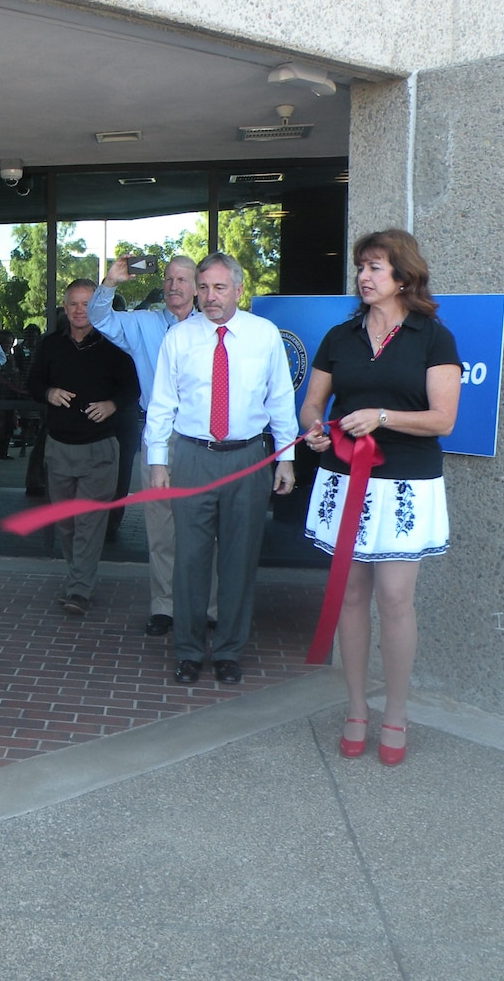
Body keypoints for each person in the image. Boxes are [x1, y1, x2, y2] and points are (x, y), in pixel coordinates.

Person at [300, 229, 461, 766]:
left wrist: (383, 416)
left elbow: (444, 418)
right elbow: (312, 405)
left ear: (403, 275)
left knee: (394, 598)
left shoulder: (432, 337)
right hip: (344, 477)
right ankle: (354, 709)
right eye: (361, 268)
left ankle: (395, 713)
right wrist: (316, 428)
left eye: (375, 267)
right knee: (349, 595)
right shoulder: (339, 336)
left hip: (405, 483)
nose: (364, 277)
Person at [146, 253, 297, 686]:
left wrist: (286, 457)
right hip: (192, 456)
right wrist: (158, 461)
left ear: (238, 290)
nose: (210, 297)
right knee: (190, 560)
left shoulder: (263, 335)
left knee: (239, 558)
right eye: (204, 287)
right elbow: (162, 404)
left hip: (248, 457)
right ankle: (189, 650)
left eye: (219, 288)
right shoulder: (179, 337)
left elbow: (280, 400)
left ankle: (229, 650)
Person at [89, 255, 203, 634]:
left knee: (208, 527)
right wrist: (110, 283)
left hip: (204, 440)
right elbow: (99, 318)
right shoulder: (146, 325)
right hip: (160, 440)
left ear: (196, 286)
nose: (174, 285)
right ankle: (164, 607)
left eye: (182, 279)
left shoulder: (213, 327)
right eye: (169, 278)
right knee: (161, 528)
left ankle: (211, 607)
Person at [27, 278, 139, 617]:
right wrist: (48, 393)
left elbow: (133, 389)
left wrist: (112, 405)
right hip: (59, 448)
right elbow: (32, 384)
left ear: (97, 306)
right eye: (73, 303)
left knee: (90, 522)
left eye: (87, 303)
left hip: (101, 448)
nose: (80, 310)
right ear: (65, 308)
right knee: (67, 524)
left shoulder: (115, 344)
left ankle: (79, 588)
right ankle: (79, 576)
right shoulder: (50, 345)